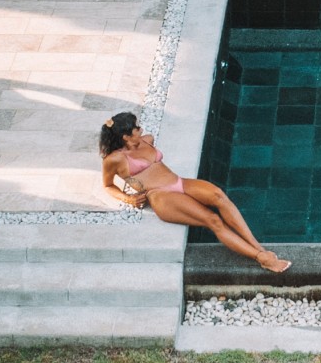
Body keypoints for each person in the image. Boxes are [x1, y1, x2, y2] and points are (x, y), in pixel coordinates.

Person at [99, 112, 290, 273]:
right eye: (136, 128)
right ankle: (261, 258)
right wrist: (128, 198)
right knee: (213, 220)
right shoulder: (114, 159)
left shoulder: (147, 140)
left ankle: (258, 247)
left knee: (219, 196)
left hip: (179, 182)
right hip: (161, 196)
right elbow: (107, 185)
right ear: (125, 136)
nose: (140, 129)